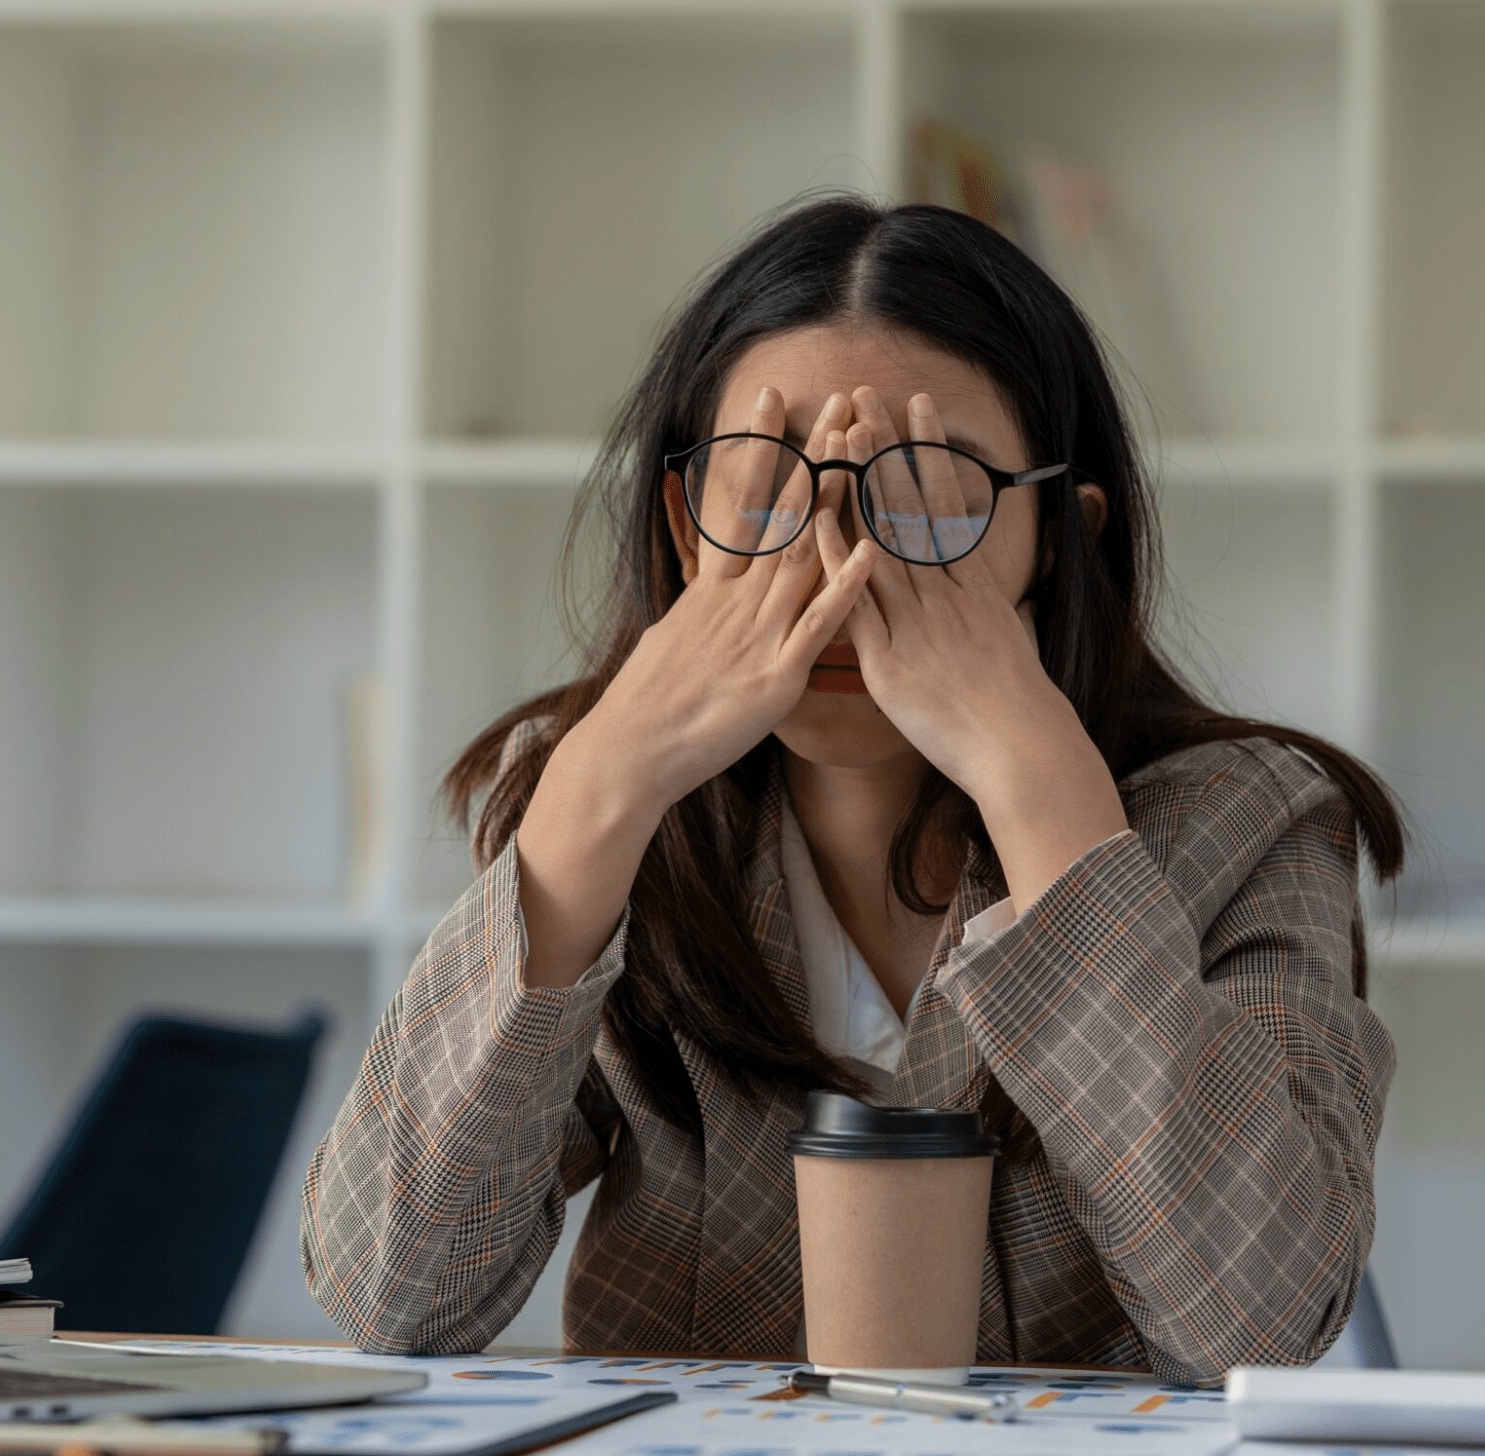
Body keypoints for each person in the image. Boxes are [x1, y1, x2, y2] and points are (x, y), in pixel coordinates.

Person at [301, 197, 1401, 1383]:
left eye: (927, 490)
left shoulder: (1253, 818)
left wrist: (1044, 795)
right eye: (768, 483)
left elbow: (1260, 1323)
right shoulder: (602, 811)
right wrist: (598, 789)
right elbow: (390, 1294)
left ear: (1062, 538)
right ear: (683, 526)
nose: (837, 559)